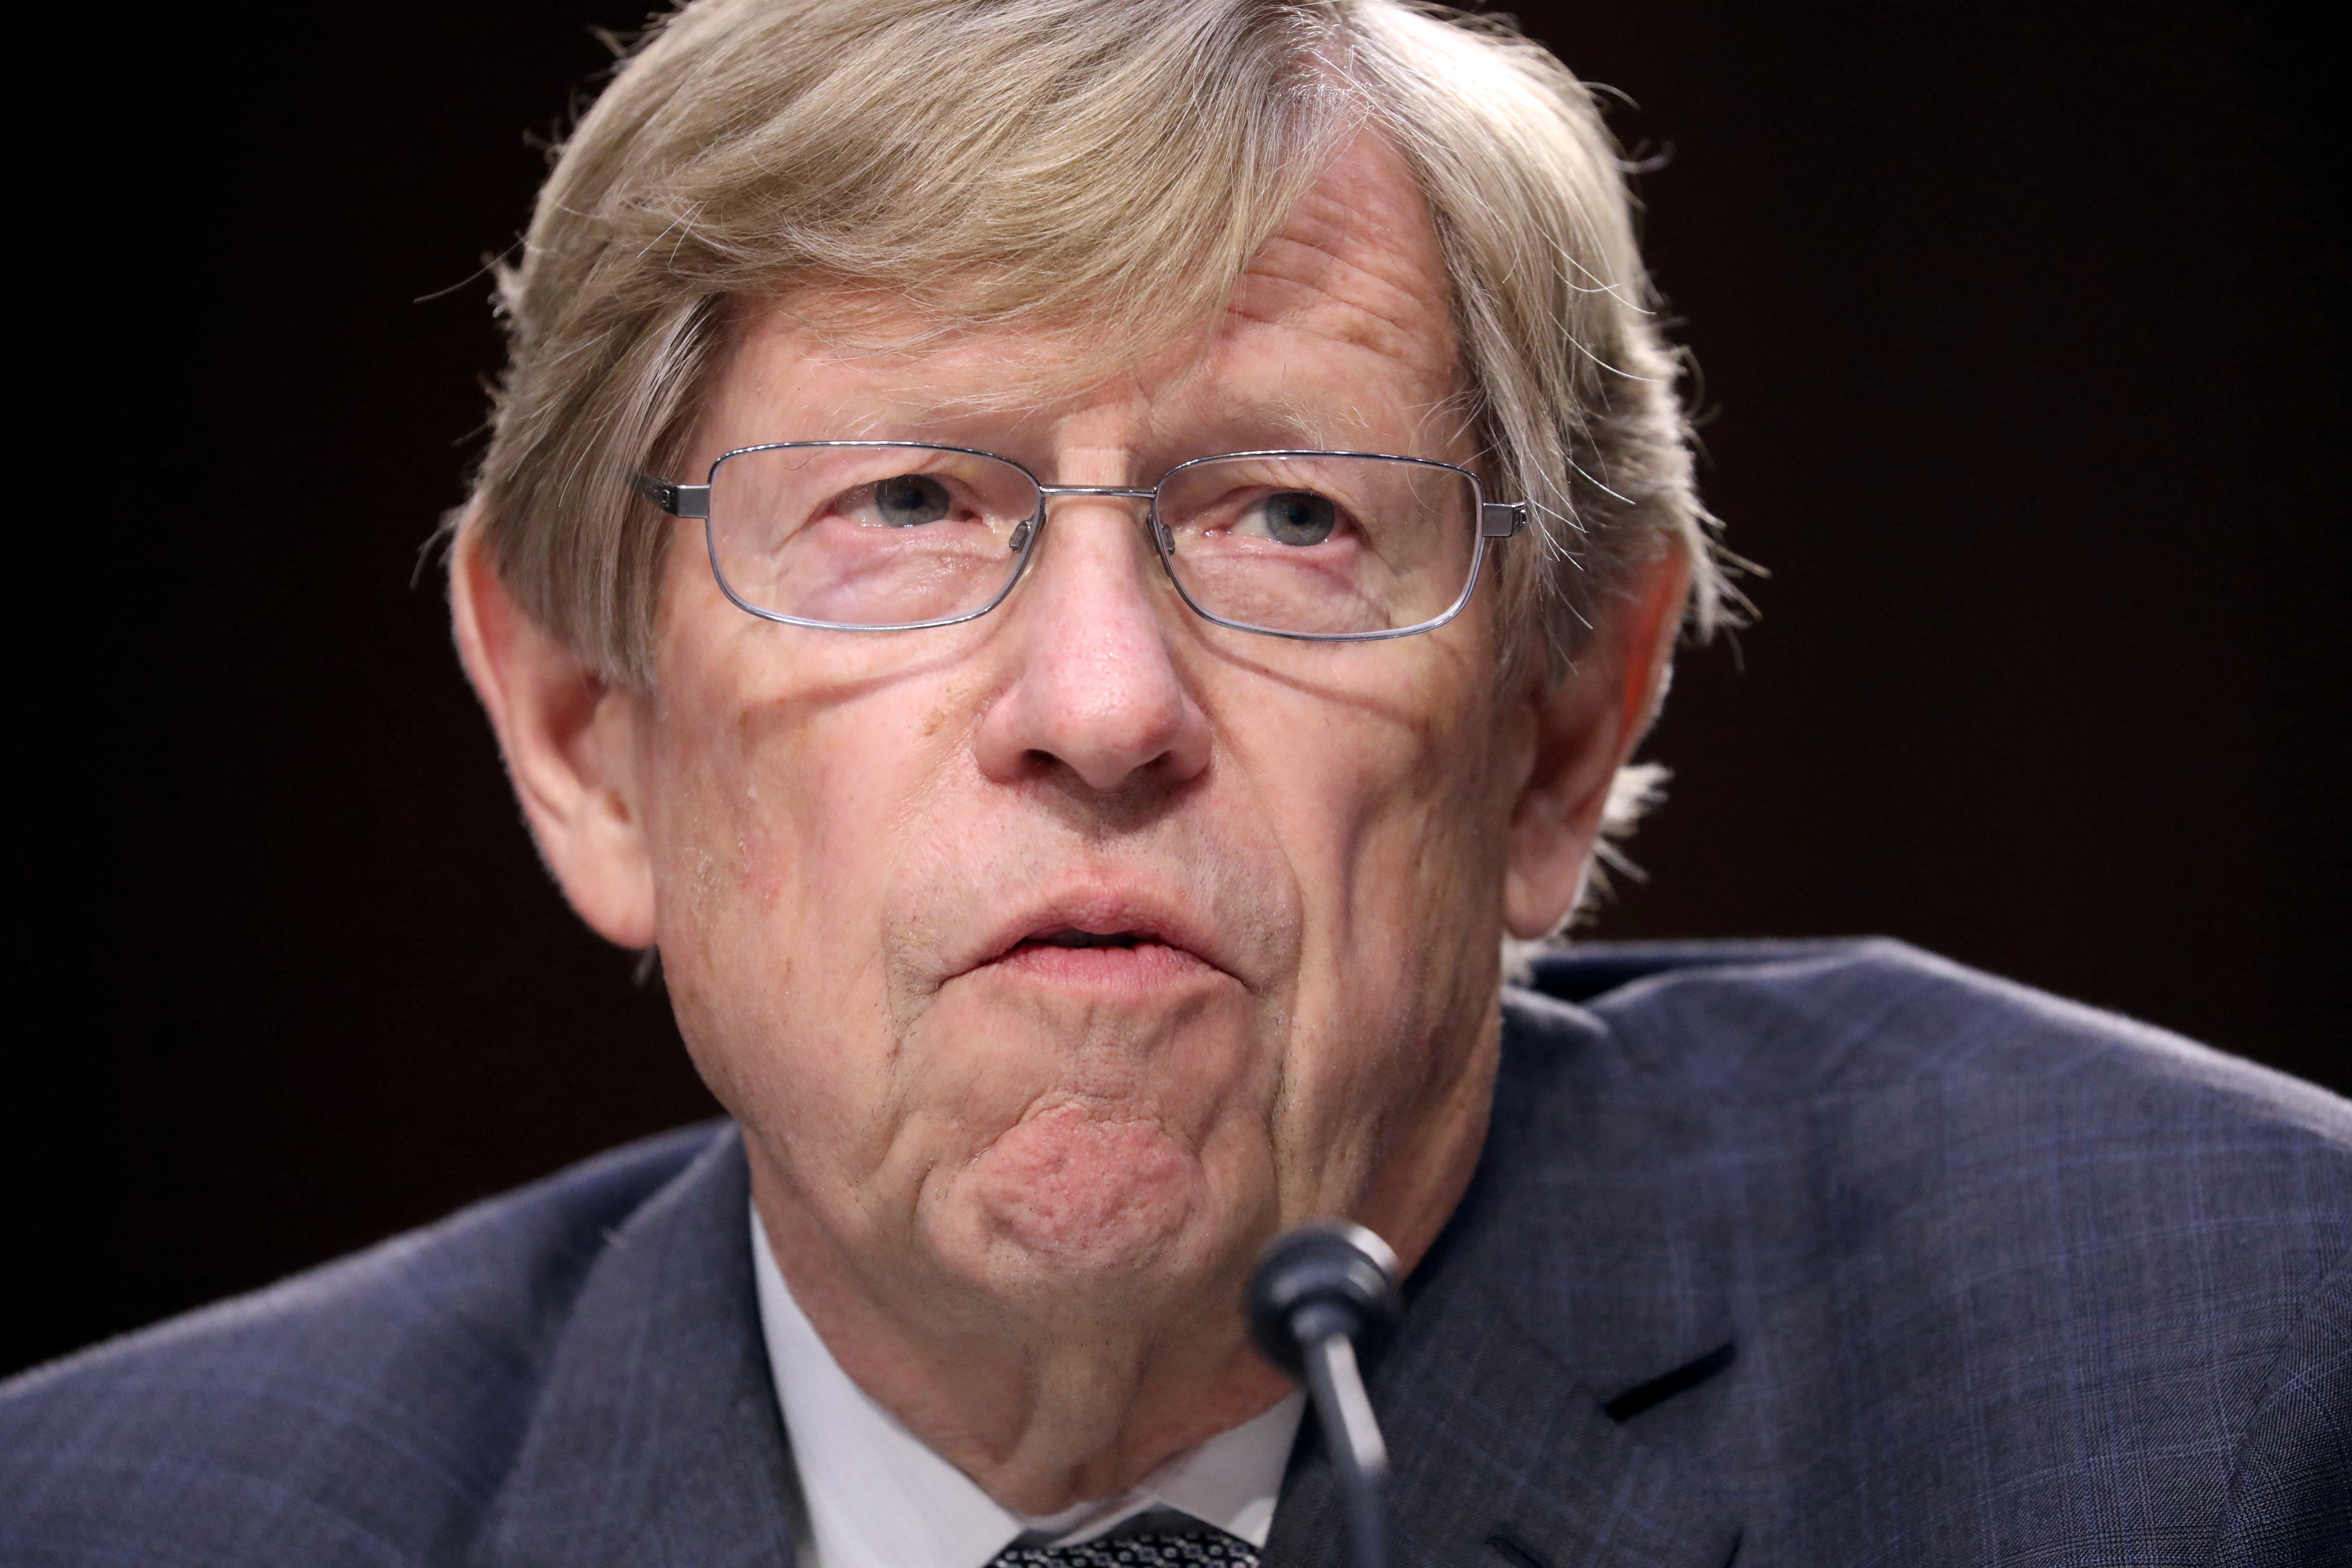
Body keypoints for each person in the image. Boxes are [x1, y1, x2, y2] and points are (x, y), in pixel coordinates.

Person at [5, 1, 2345, 1562]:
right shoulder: (122, 1517)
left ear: (1558, 728)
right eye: (909, 505)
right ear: (586, 734)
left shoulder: (2229, 1386)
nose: (1107, 705)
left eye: (1292, 516)